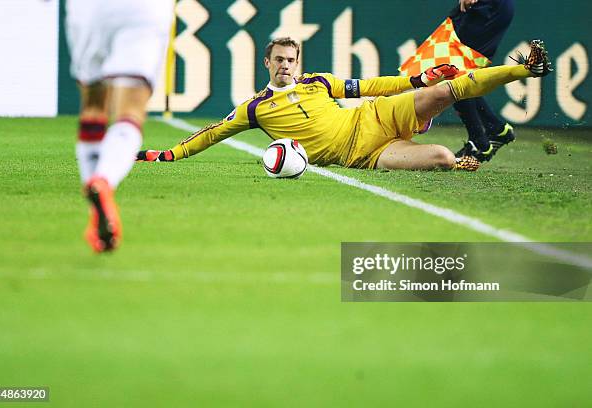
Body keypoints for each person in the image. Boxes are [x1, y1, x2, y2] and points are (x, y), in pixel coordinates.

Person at [138, 37, 551, 174]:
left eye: (290, 59)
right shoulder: (255, 108)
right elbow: (211, 133)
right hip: (365, 154)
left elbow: (369, 85)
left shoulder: (319, 81)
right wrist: (167, 154)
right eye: (278, 59)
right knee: (443, 158)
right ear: (267, 62)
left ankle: (523, 69)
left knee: (445, 91)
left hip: (375, 115)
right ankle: (453, 155)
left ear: (297, 62)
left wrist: (414, 80)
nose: (285, 65)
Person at [65, 0, 173, 252]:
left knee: (93, 105)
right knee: (130, 111)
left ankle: (97, 212)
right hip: (143, 9)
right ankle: (103, 181)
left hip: (90, 9)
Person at [450, 0, 516, 161]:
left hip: (488, 6)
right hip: (489, 6)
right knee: (454, 68)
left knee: (454, 69)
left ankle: (480, 141)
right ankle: (495, 130)